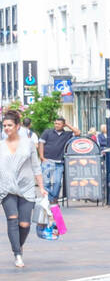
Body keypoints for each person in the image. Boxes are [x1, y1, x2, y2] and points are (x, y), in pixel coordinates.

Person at [1, 109, 44, 268]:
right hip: (6, 188)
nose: (6, 128)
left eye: (10, 125)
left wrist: (41, 187)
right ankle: (17, 254)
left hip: (26, 188)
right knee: (12, 219)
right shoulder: (0, 146)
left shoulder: (29, 144)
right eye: (4, 125)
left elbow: (36, 166)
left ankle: (18, 246)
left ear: (18, 126)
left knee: (24, 224)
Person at [37, 116, 79, 203]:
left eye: (59, 124)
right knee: (46, 183)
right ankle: (52, 199)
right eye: (55, 123)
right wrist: (41, 157)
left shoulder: (67, 134)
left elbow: (78, 132)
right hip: (47, 160)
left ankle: (53, 198)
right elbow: (41, 143)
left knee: (57, 182)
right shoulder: (47, 132)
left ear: (63, 125)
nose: (56, 125)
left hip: (59, 162)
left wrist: (67, 124)